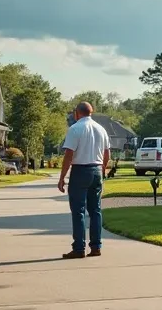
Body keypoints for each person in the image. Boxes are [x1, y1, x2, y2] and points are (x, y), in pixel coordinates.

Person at [57, 101, 110, 259]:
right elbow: (107, 154)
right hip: (97, 169)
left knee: (78, 210)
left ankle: (79, 247)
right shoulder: (101, 129)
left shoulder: (75, 129)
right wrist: (102, 170)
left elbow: (69, 155)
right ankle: (96, 246)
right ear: (91, 112)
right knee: (95, 210)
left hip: (80, 170)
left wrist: (62, 178)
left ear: (76, 113)